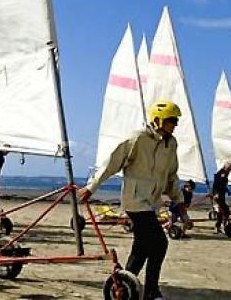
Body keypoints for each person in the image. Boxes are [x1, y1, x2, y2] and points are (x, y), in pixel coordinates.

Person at [79, 101, 184, 300]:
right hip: (135, 200)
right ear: (157, 120)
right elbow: (112, 163)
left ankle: (124, 284)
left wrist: (178, 201)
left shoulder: (171, 144)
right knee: (159, 243)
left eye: (176, 120)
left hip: (152, 202)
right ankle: (151, 291)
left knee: (142, 245)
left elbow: (171, 175)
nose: (175, 124)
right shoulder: (137, 138)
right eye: (171, 120)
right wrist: (92, 187)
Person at [212, 162, 231, 233]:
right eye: (229, 168)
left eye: (230, 169)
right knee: (224, 211)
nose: (230, 170)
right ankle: (221, 227)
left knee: (223, 212)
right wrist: (216, 193)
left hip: (221, 195)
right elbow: (216, 184)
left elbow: (223, 185)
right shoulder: (222, 173)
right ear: (225, 167)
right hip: (218, 195)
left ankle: (220, 227)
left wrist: (227, 191)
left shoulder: (225, 173)